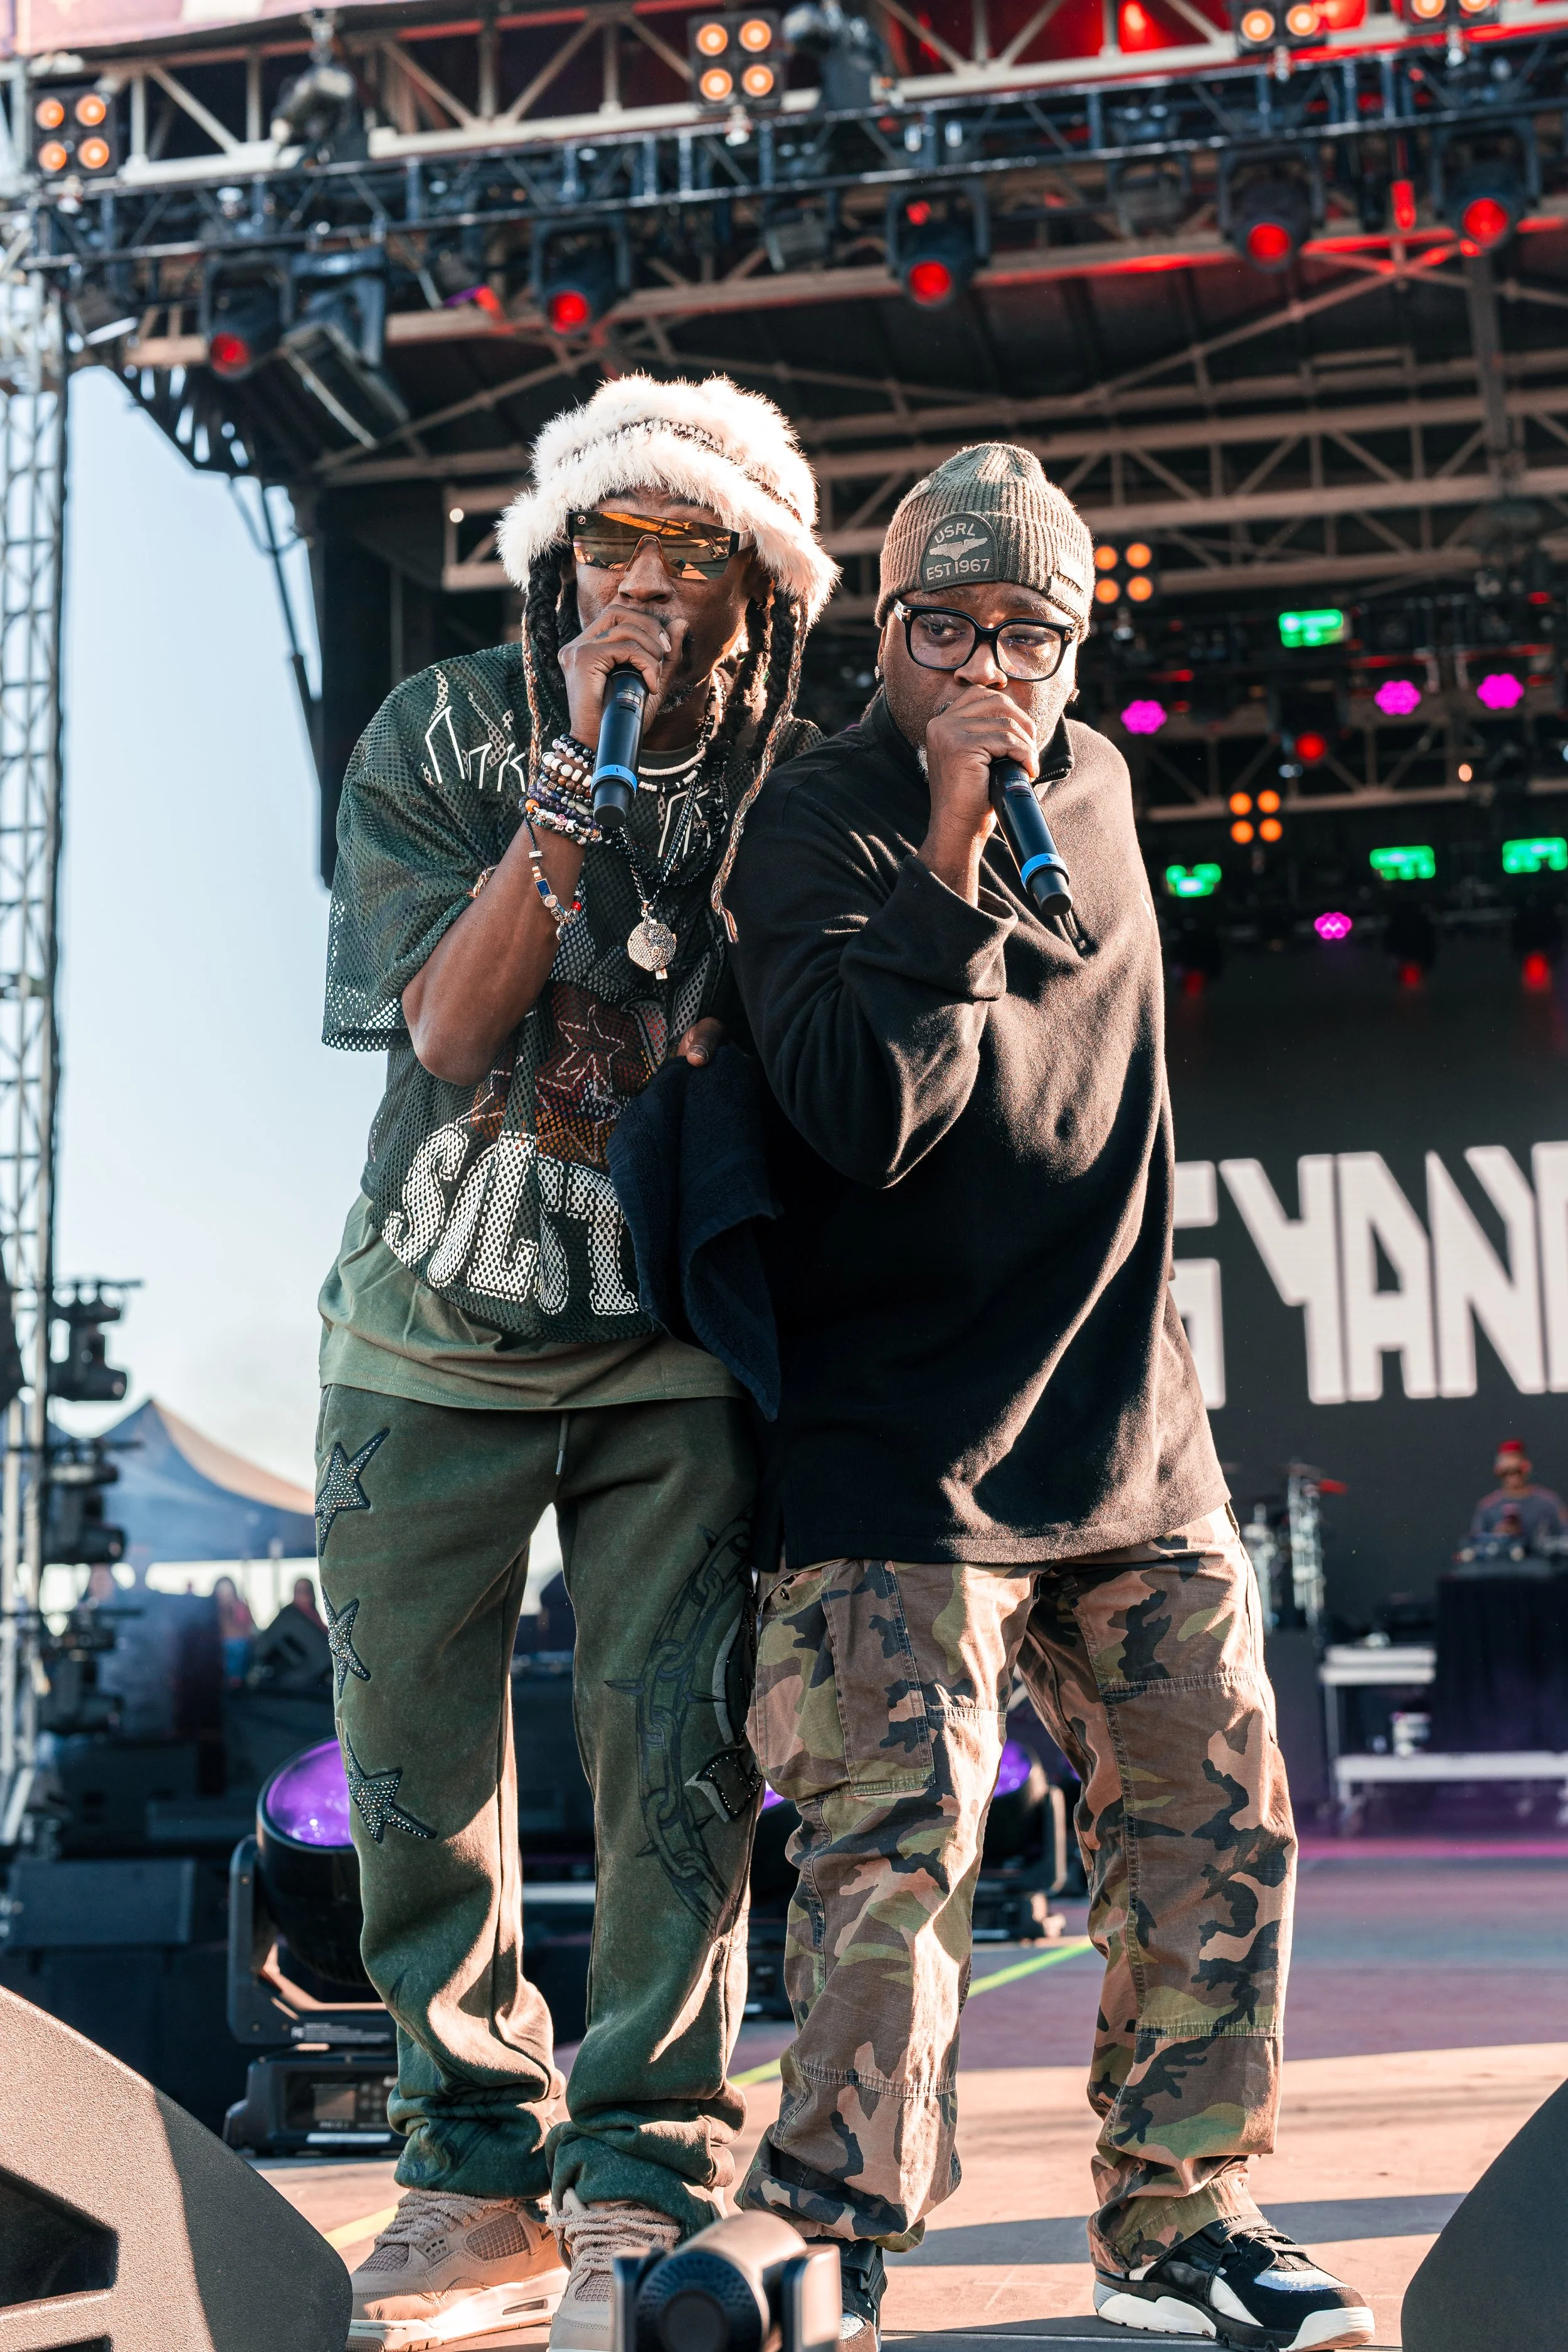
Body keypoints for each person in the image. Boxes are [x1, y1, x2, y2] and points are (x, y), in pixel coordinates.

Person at [723, 445, 1375, 2352]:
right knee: (890, 1859)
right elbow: (873, 1114)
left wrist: (998, 812)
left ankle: (1173, 2221)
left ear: (1075, 651)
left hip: (1115, 1427)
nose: (989, 667)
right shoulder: (809, 816)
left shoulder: (1095, 794)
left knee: (1212, 1816)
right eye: (948, 625)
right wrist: (946, 827)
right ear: (886, 626)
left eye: (1029, 633)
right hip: (891, 1458)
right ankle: (833, 2237)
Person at [315, 373, 834, 2352]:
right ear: (555, 566)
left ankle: (638, 2173)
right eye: (603, 542)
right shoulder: (446, 724)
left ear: (752, 587)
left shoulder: (795, 773)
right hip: (424, 1332)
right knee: (411, 1773)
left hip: (661, 1353)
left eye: (681, 549)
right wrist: (552, 826)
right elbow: (445, 1037)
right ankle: (465, 2177)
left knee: (672, 1770)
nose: (636, 578)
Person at [1468, 1439, 1568, 1550]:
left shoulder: (1549, 1502)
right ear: (1498, 1471)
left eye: (1517, 1471)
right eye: (1507, 1472)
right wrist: (1497, 1537)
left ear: (1526, 1467)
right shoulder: (1488, 1507)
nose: (1512, 1477)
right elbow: (1475, 1544)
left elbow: (1565, 1535)